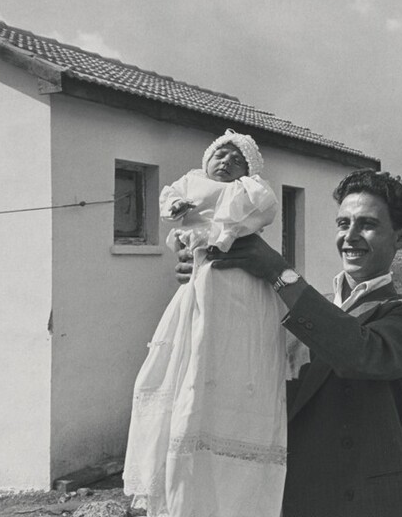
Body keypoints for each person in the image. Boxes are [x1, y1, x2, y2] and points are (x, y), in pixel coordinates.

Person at [174, 169, 402, 516]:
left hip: (370, 504)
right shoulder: (306, 304)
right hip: (295, 499)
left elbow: (357, 353)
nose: (350, 236)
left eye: (368, 224)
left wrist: (279, 271)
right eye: (343, 223)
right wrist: (204, 275)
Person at [123, 129, 307, 517]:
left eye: (236, 159)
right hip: (198, 285)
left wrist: (223, 230)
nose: (225, 162)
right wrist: (179, 215)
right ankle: (184, 486)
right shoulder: (191, 182)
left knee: (236, 364)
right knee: (185, 367)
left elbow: (263, 209)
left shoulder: (248, 188)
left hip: (243, 283)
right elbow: (170, 205)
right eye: (219, 155)